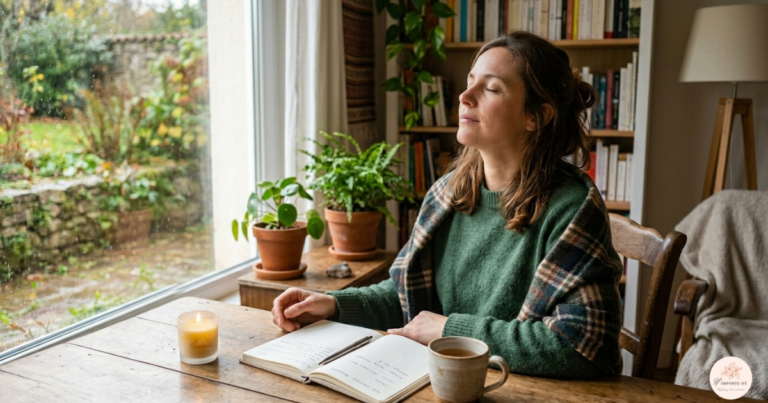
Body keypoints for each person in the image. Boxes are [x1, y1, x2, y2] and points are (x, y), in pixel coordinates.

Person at [271, 32, 624, 378]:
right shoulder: (448, 194)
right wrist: (333, 305)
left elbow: (584, 345)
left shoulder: (572, 207)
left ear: (537, 116)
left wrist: (449, 330)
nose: (465, 96)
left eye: (491, 88)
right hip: (446, 381)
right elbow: (405, 294)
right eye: (470, 82)